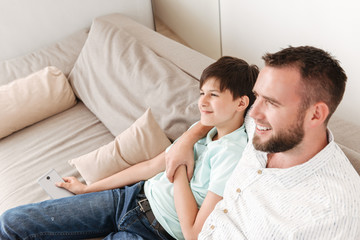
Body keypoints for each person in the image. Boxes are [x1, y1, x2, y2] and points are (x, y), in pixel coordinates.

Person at [0, 56, 259, 240]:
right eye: (201, 93)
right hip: (130, 198)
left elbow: (193, 233)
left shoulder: (233, 155)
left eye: (213, 95)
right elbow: (148, 167)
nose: (202, 102)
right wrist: (86, 188)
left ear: (241, 103)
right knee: (11, 222)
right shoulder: (206, 129)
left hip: (155, 232)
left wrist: (179, 164)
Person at [165, 46, 360, 239]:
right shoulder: (262, 126)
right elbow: (224, 113)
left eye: (271, 102)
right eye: (257, 96)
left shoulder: (334, 212)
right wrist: (186, 142)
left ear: (316, 114)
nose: (254, 112)